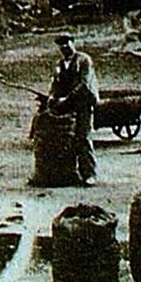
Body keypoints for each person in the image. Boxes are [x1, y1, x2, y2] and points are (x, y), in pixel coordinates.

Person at [47, 33, 100, 186]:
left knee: (83, 137)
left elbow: (85, 85)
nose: (64, 47)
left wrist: (67, 98)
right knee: (67, 138)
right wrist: (52, 96)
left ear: (73, 43)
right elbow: (55, 83)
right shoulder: (59, 64)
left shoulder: (84, 61)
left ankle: (89, 174)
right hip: (68, 104)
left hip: (84, 102)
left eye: (67, 43)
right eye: (61, 45)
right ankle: (70, 173)